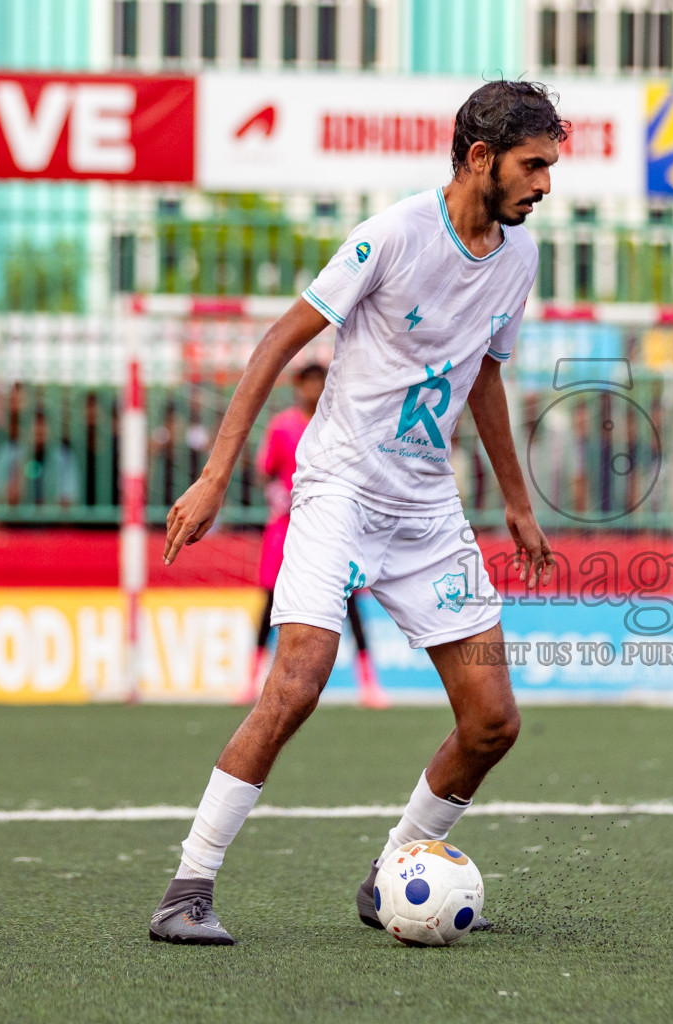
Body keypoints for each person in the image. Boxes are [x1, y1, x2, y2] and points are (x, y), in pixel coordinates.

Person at [148, 80, 564, 946]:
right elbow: (277, 342)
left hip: (425, 511)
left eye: (551, 167)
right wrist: (218, 473)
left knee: (493, 722)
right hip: (337, 489)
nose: (545, 185)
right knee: (297, 683)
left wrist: (518, 505)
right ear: (479, 157)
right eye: (534, 165)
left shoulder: (519, 258)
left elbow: (485, 374)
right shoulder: (392, 235)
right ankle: (188, 887)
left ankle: (396, 872)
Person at [250, 362, 389, 709]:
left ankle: (368, 682)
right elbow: (264, 471)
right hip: (287, 525)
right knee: (271, 599)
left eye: (319, 382)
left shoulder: (338, 426)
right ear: (298, 385)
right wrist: (277, 495)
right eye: (307, 382)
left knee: (351, 602)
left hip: (332, 526)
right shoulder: (282, 426)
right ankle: (250, 678)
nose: (313, 389)